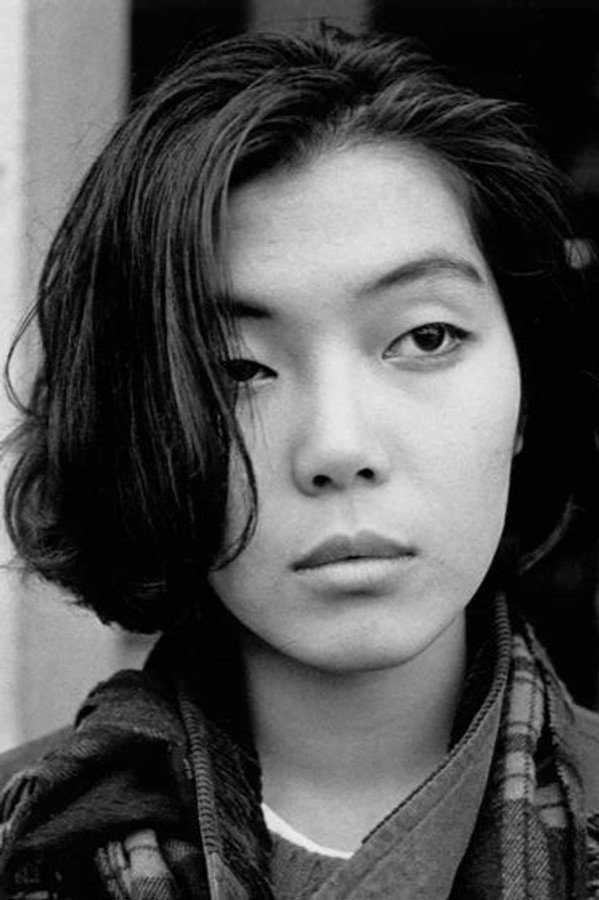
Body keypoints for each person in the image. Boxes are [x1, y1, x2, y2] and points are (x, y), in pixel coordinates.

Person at [0, 27, 598, 900]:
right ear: (143, 423)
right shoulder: (30, 847)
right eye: (237, 369)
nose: (339, 448)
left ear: (526, 385)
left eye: (426, 337)